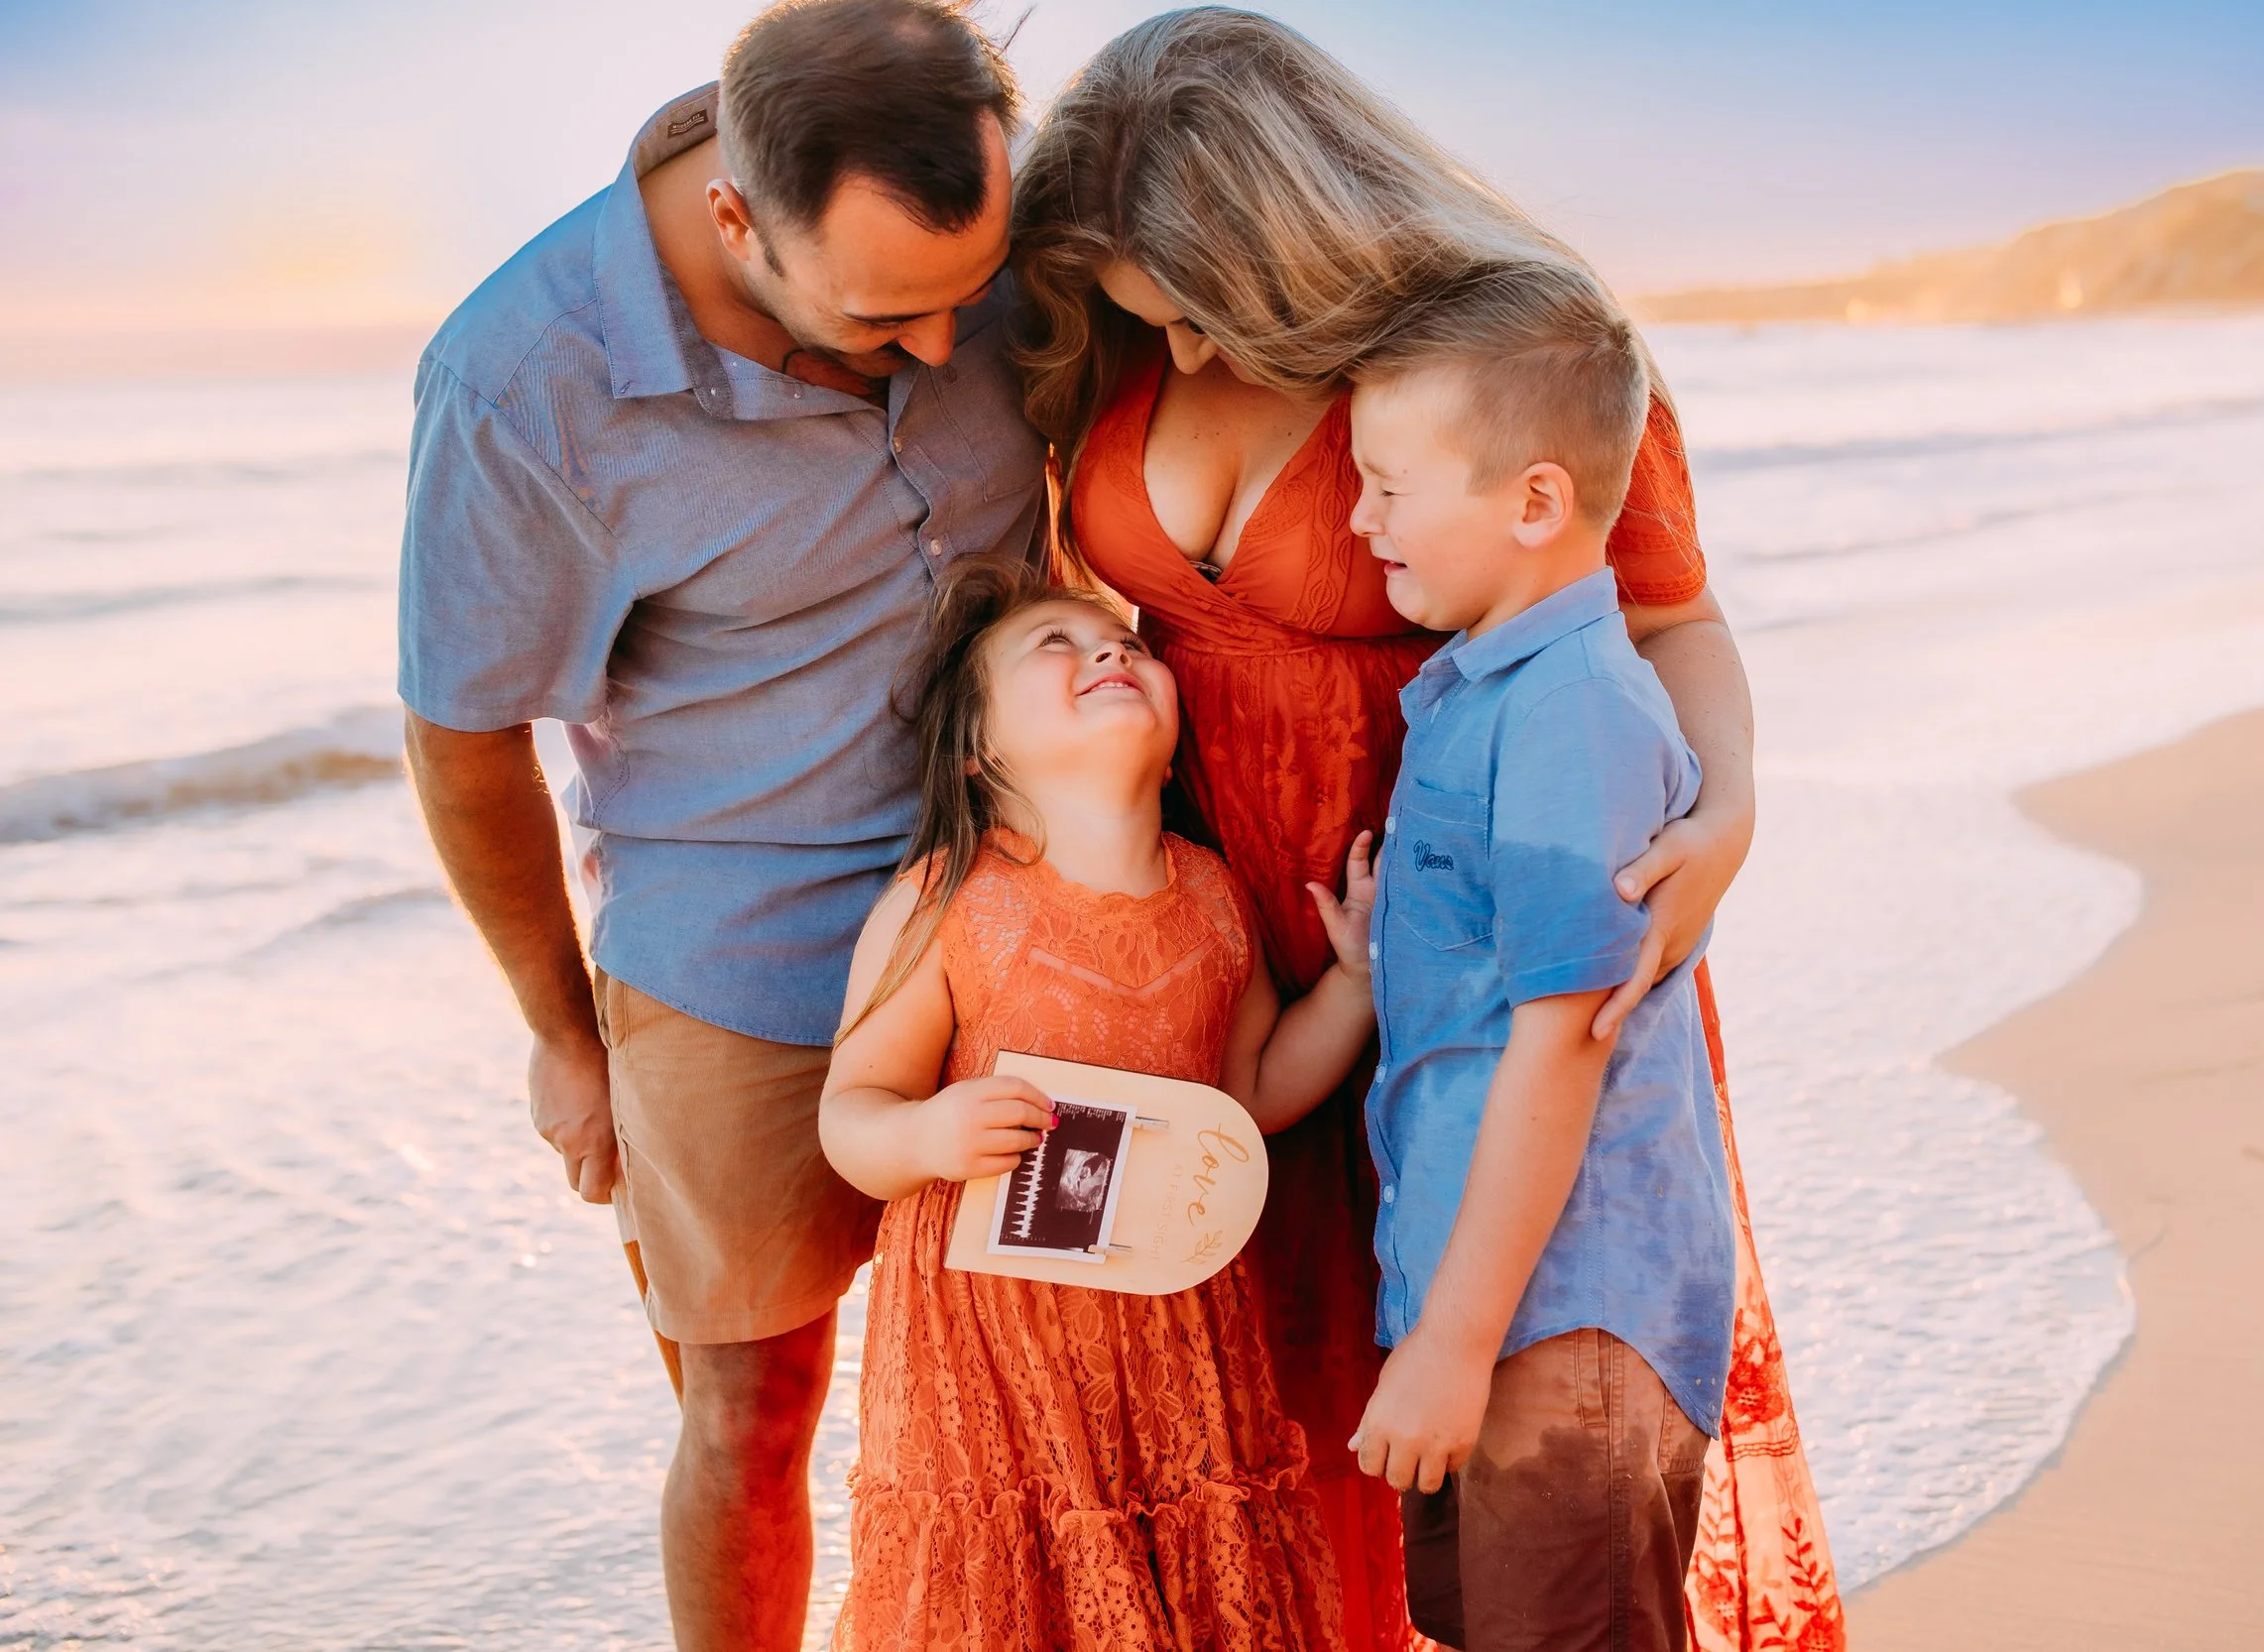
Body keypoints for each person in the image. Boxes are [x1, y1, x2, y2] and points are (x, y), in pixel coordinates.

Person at [1010, 11, 1844, 1648]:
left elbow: (1667, 623)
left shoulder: (1502, 355)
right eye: (1139, 318)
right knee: (1254, 1434)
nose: (1171, 355)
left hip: (1468, 943)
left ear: (1287, 249)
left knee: (1505, 1434)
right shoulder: (1109, 344)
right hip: (1233, 960)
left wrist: (1730, 810)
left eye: (1194, 310)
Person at [395, 3, 1042, 1647]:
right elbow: (467, 741)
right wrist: (559, 1031)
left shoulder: (969, 242)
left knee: (1077, 1356)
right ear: (735, 222)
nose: (944, 348)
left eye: (972, 295)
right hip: (738, 961)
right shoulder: (519, 387)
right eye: (888, 316)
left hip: (1038, 907)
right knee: (754, 1419)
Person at [817, 559, 1370, 1649]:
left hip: (1170, 1331)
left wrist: (1351, 988)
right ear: (980, 749)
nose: (1111, 653)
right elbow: (851, 1111)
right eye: (1056, 647)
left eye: (1125, 644)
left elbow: (1250, 1091)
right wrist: (925, 1133)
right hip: (990, 1353)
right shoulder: (949, 899)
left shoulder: (1209, 893)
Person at [1344, 259, 1731, 1652]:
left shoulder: (1573, 712)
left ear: (1534, 501)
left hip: (1565, 1318)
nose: (1356, 515)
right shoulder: (1486, 685)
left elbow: (1562, 1041)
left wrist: (1450, 1345)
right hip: (1494, 1295)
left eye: (1390, 485)